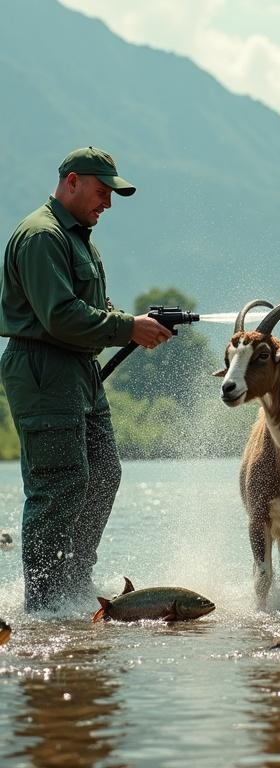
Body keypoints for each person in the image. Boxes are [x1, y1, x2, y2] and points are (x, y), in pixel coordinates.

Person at [0, 146, 172, 612]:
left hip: (79, 373)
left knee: (103, 476)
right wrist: (126, 328)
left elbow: (93, 310)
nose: (108, 204)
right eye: (102, 192)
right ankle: (44, 603)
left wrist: (136, 323)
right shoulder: (42, 236)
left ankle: (74, 583)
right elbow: (59, 316)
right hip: (44, 370)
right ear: (71, 182)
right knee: (59, 485)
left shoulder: (79, 238)